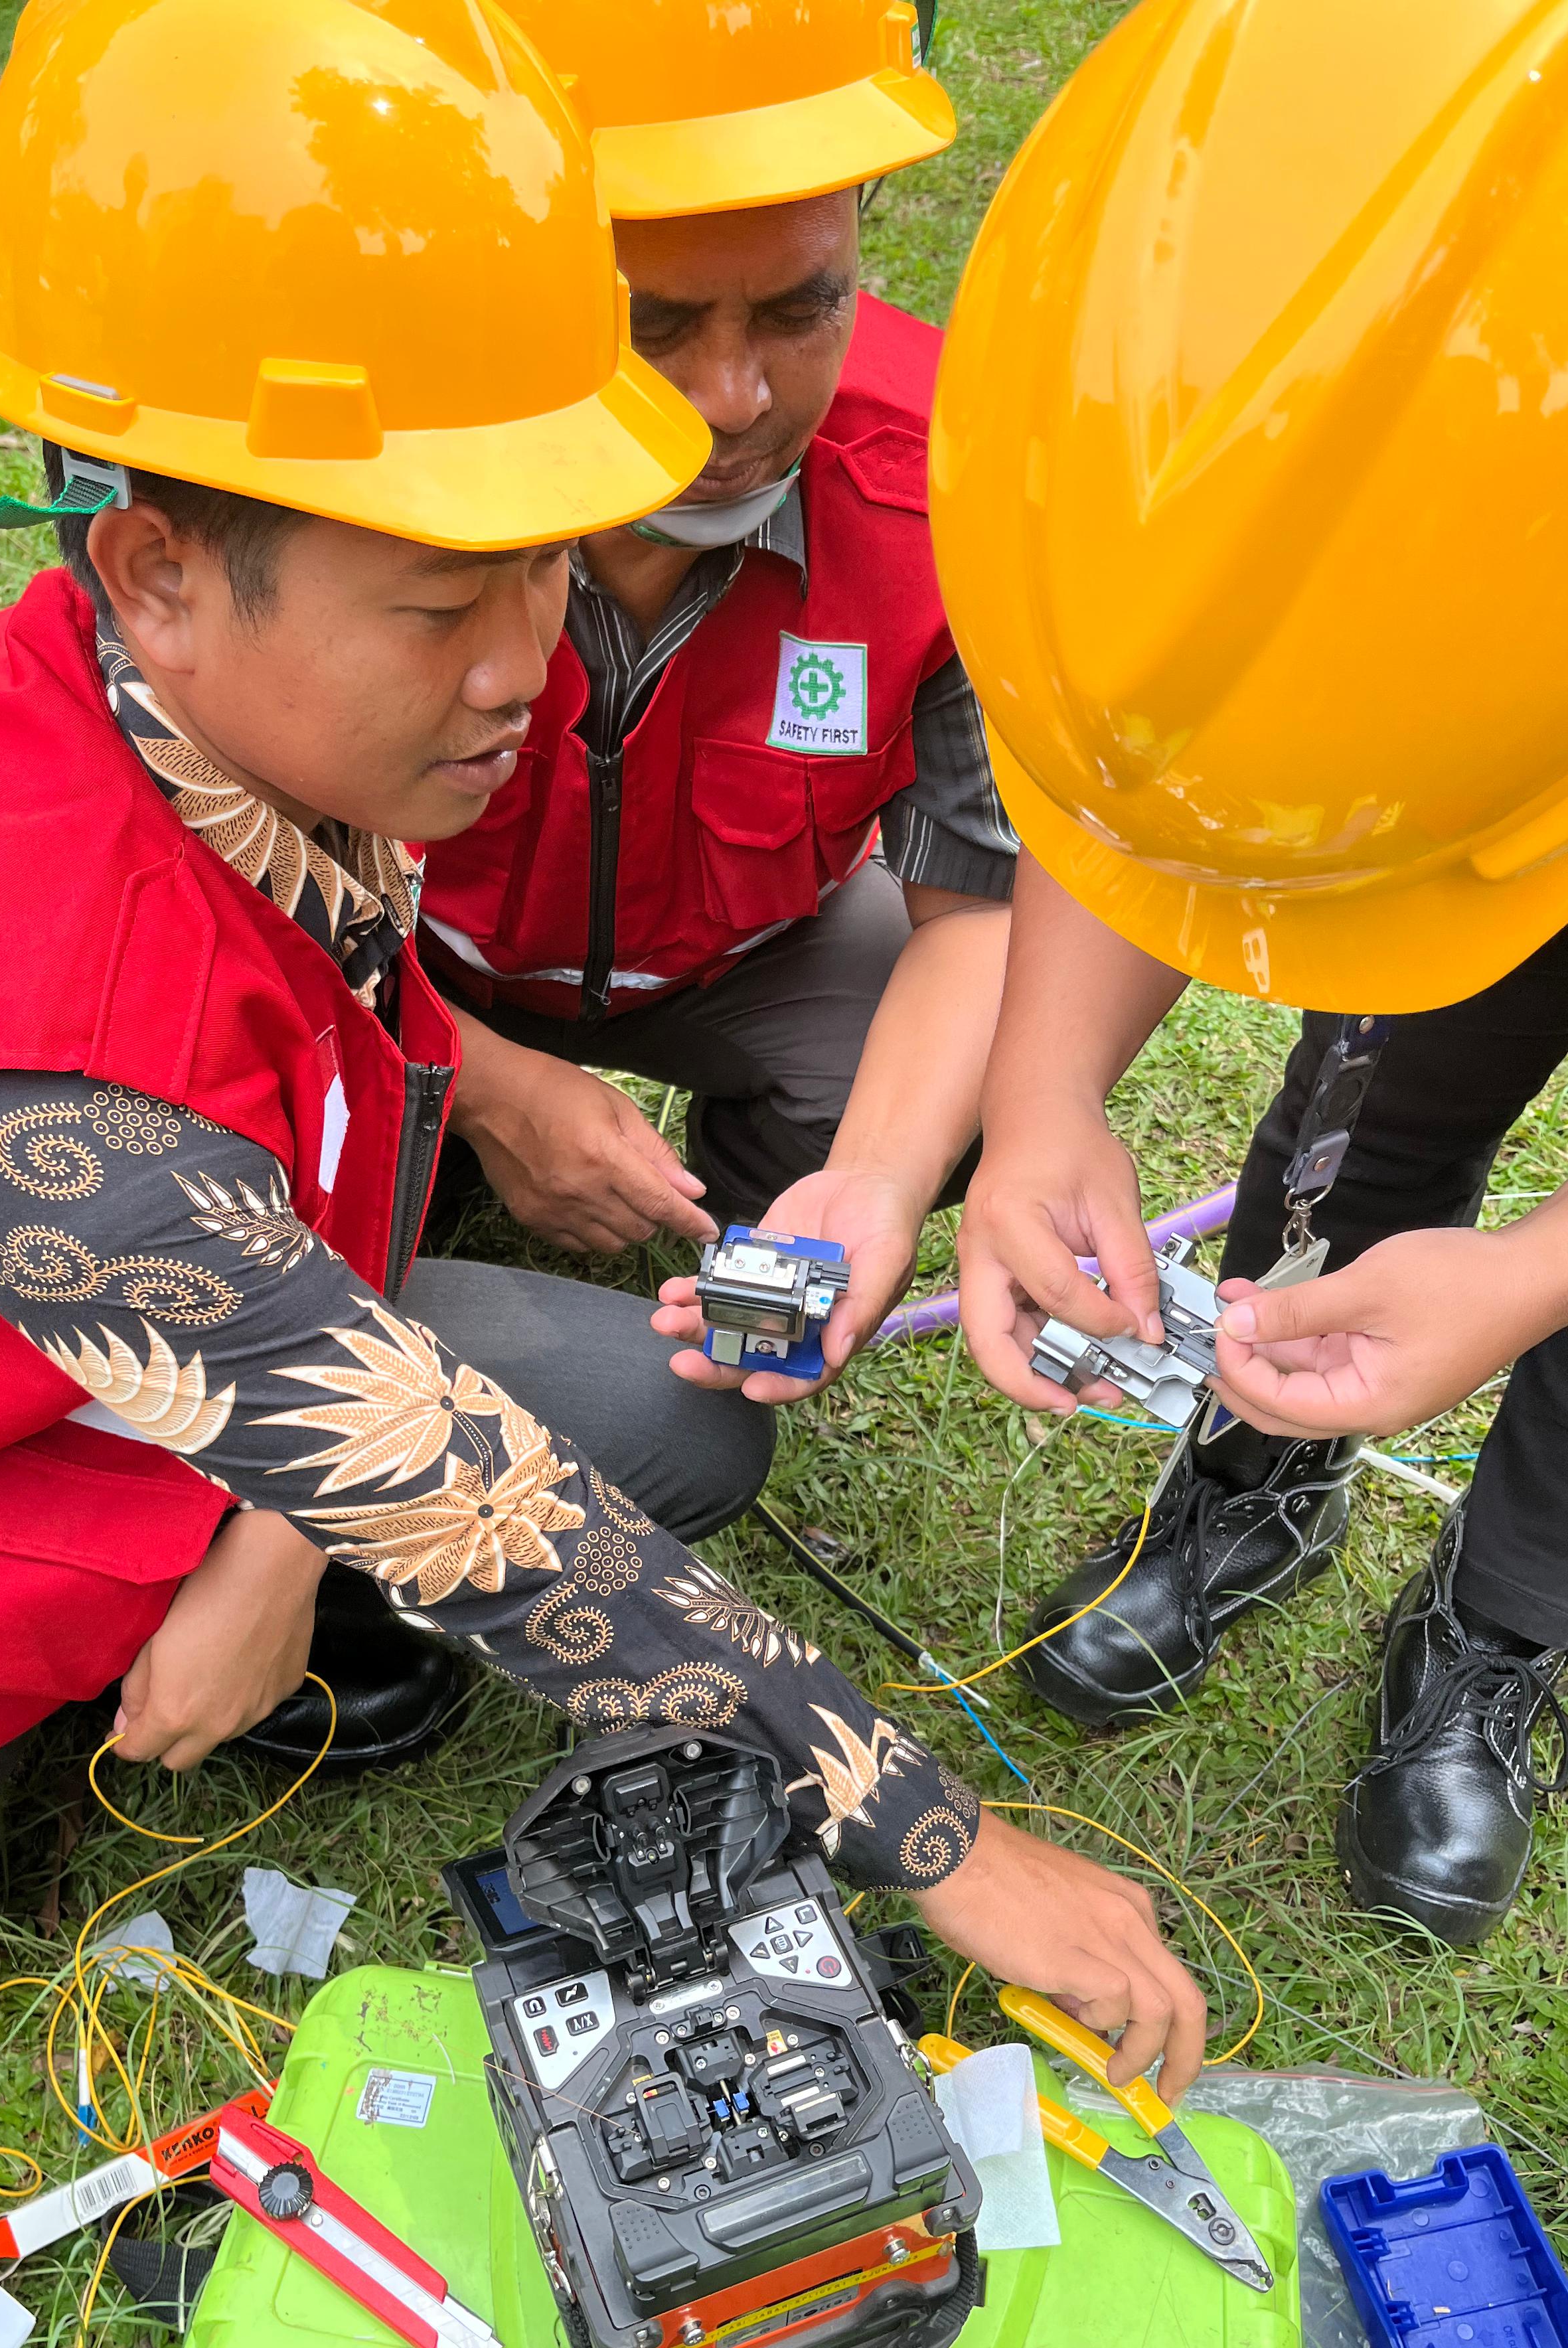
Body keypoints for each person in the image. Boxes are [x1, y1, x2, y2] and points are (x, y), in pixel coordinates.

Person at [0, 0, 1208, 2348]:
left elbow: (341, 1170)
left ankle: (175, 1620)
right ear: (160, 573)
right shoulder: (7, 1024)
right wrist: (963, 1852)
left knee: (665, 1422)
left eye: (533, 583)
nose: (524, 673)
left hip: (148, 1392)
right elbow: (488, 1525)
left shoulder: (236, 732)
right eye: (440, 611)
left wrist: (267, 1514)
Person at [926, 0, 1568, 1946]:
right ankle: (1252, 1485)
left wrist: (1533, 1279)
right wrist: (1040, 1101)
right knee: (1375, 1104)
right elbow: (1156, 719)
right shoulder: (1275, 197)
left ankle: (1494, 1632)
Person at [415, 0, 1021, 1404]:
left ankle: (747, 1262)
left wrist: (871, 1178)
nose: (736, 399)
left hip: (736, 962)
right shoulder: (381, 476)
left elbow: (980, 915)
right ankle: (424, 1166)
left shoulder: (956, 488)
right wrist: (494, 1085)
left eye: (805, 307)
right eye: (656, 325)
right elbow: (229, 902)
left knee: (938, 1068)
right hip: (401, 959)